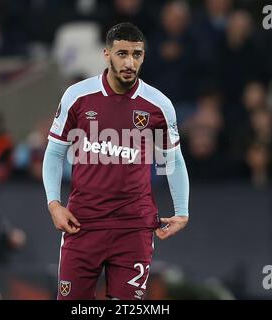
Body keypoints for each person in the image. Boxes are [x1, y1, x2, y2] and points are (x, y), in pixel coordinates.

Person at [42, 22, 190, 300]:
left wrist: (182, 210)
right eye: (122, 54)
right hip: (82, 224)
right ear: (107, 54)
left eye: (137, 54)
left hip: (133, 228)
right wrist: (54, 204)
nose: (130, 62)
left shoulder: (158, 105)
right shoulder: (78, 96)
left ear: (143, 56)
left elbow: (175, 160)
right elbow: (54, 152)